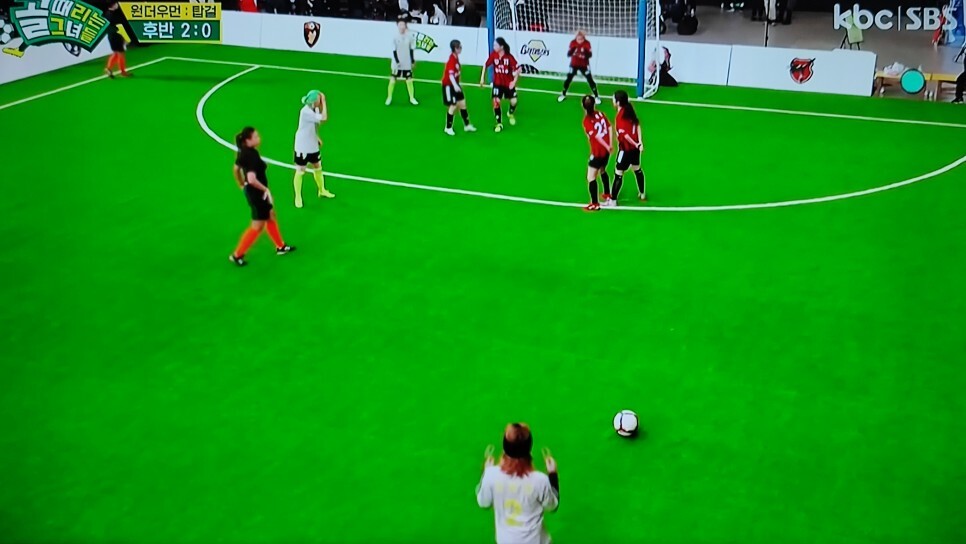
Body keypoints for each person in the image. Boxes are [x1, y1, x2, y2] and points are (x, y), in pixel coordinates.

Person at [476, 423, 559, 544]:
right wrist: (552, 475)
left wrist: (485, 473)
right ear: (529, 448)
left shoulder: (491, 475)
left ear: (505, 447)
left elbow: (483, 503)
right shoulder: (540, 480)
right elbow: (552, 506)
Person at [230, 127, 296, 267]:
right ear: (248, 140)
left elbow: (236, 169)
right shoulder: (251, 156)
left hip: (252, 192)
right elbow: (252, 179)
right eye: (256, 136)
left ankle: (280, 246)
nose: (259, 138)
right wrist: (265, 189)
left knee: (271, 215)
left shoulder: (243, 152)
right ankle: (237, 255)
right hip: (257, 194)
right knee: (257, 226)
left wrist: (241, 184)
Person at [293, 90, 335, 208]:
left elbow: (314, 125)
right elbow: (324, 118)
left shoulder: (314, 109)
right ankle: (298, 197)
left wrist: (316, 136)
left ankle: (322, 190)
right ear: (314, 100)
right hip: (302, 145)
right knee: (301, 170)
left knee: (318, 166)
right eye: (319, 99)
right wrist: (325, 102)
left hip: (312, 143)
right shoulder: (305, 111)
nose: (320, 101)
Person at [611, 90, 646, 205]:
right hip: (635, 150)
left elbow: (625, 135)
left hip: (625, 150)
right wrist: (639, 142)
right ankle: (642, 194)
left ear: (618, 102)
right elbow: (637, 124)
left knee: (618, 173)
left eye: (613, 99)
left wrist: (636, 144)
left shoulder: (619, 117)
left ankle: (613, 200)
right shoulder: (629, 109)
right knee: (637, 169)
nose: (612, 100)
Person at [480, 37, 521, 133]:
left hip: (508, 84)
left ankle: (510, 113)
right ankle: (499, 123)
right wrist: (482, 78)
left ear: (501, 47)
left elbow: (518, 69)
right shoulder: (493, 55)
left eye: (495, 45)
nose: (494, 47)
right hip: (497, 84)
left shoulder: (509, 57)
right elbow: (485, 65)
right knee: (496, 101)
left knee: (514, 101)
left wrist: (514, 82)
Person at [581, 95, 612, 211]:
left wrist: (606, 145)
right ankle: (607, 194)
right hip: (606, 152)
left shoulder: (586, 121)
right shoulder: (601, 114)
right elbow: (609, 127)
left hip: (597, 152)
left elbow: (596, 136)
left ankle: (595, 203)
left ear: (583, 107)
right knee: (602, 170)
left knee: (590, 177)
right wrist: (609, 144)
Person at [442, 39, 477, 136]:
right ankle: (448, 127)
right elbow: (450, 75)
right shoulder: (451, 60)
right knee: (453, 106)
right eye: (459, 47)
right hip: (449, 86)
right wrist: (455, 86)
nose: (461, 49)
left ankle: (467, 125)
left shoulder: (456, 58)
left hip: (455, 85)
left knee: (462, 104)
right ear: (455, 49)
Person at [558, 31, 600, 104]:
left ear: (583, 38)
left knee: (590, 79)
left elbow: (590, 55)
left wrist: (585, 53)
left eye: (581, 39)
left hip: (584, 65)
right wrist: (573, 50)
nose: (580, 40)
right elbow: (568, 54)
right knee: (568, 79)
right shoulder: (573, 43)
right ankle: (563, 94)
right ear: (576, 38)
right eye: (578, 39)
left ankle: (596, 96)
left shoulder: (587, 43)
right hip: (574, 64)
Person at [387, 19, 419, 106]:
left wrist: (412, 60)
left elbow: (411, 49)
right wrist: (397, 61)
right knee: (393, 79)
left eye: (403, 24)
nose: (402, 26)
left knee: (409, 79)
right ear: (397, 26)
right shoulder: (395, 37)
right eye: (400, 25)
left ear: (405, 26)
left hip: (407, 62)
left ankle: (412, 98)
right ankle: (389, 97)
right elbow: (394, 50)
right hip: (397, 62)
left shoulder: (410, 37)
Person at [105, 2, 131, 78]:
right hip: (116, 36)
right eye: (116, 3)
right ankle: (123, 72)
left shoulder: (107, 14)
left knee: (116, 53)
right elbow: (119, 27)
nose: (117, 5)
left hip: (111, 36)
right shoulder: (113, 15)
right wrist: (125, 38)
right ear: (113, 5)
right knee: (120, 53)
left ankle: (108, 68)